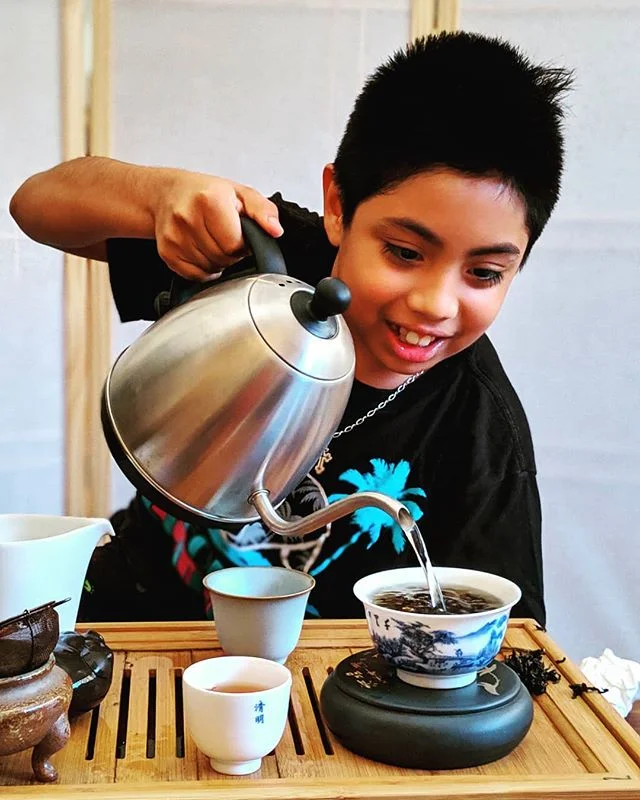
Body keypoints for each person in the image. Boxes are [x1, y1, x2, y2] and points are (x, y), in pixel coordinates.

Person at [10, 31, 573, 625]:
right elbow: (34, 205)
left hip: (319, 684)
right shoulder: (261, 259)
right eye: (405, 252)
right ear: (337, 205)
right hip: (129, 617)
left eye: (484, 273)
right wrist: (158, 197)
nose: (436, 303)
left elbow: (514, 646)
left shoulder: (481, 426)